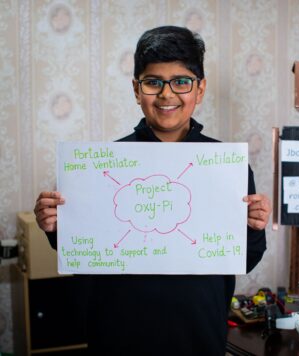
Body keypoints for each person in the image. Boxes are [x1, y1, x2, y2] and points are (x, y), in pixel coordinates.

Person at [33, 26, 270, 355]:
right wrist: (56, 227)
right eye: (153, 82)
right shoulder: (101, 166)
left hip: (197, 331)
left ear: (199, 90)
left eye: (182, 82)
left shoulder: (227, 167)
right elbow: (84, 255)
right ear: (136, 88)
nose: (167, 94)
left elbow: (245, 256)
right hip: (119, 331)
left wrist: (253, 227)